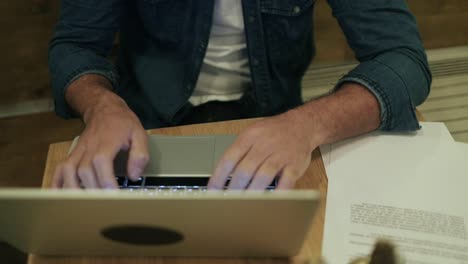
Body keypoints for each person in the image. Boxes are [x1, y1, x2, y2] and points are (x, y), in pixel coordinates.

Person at [49, 0, 431, 190]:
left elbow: (403, 60)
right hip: (145, 129)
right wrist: (102, 104)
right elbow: (75, 45)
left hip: (274, 126)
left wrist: (309, 124)